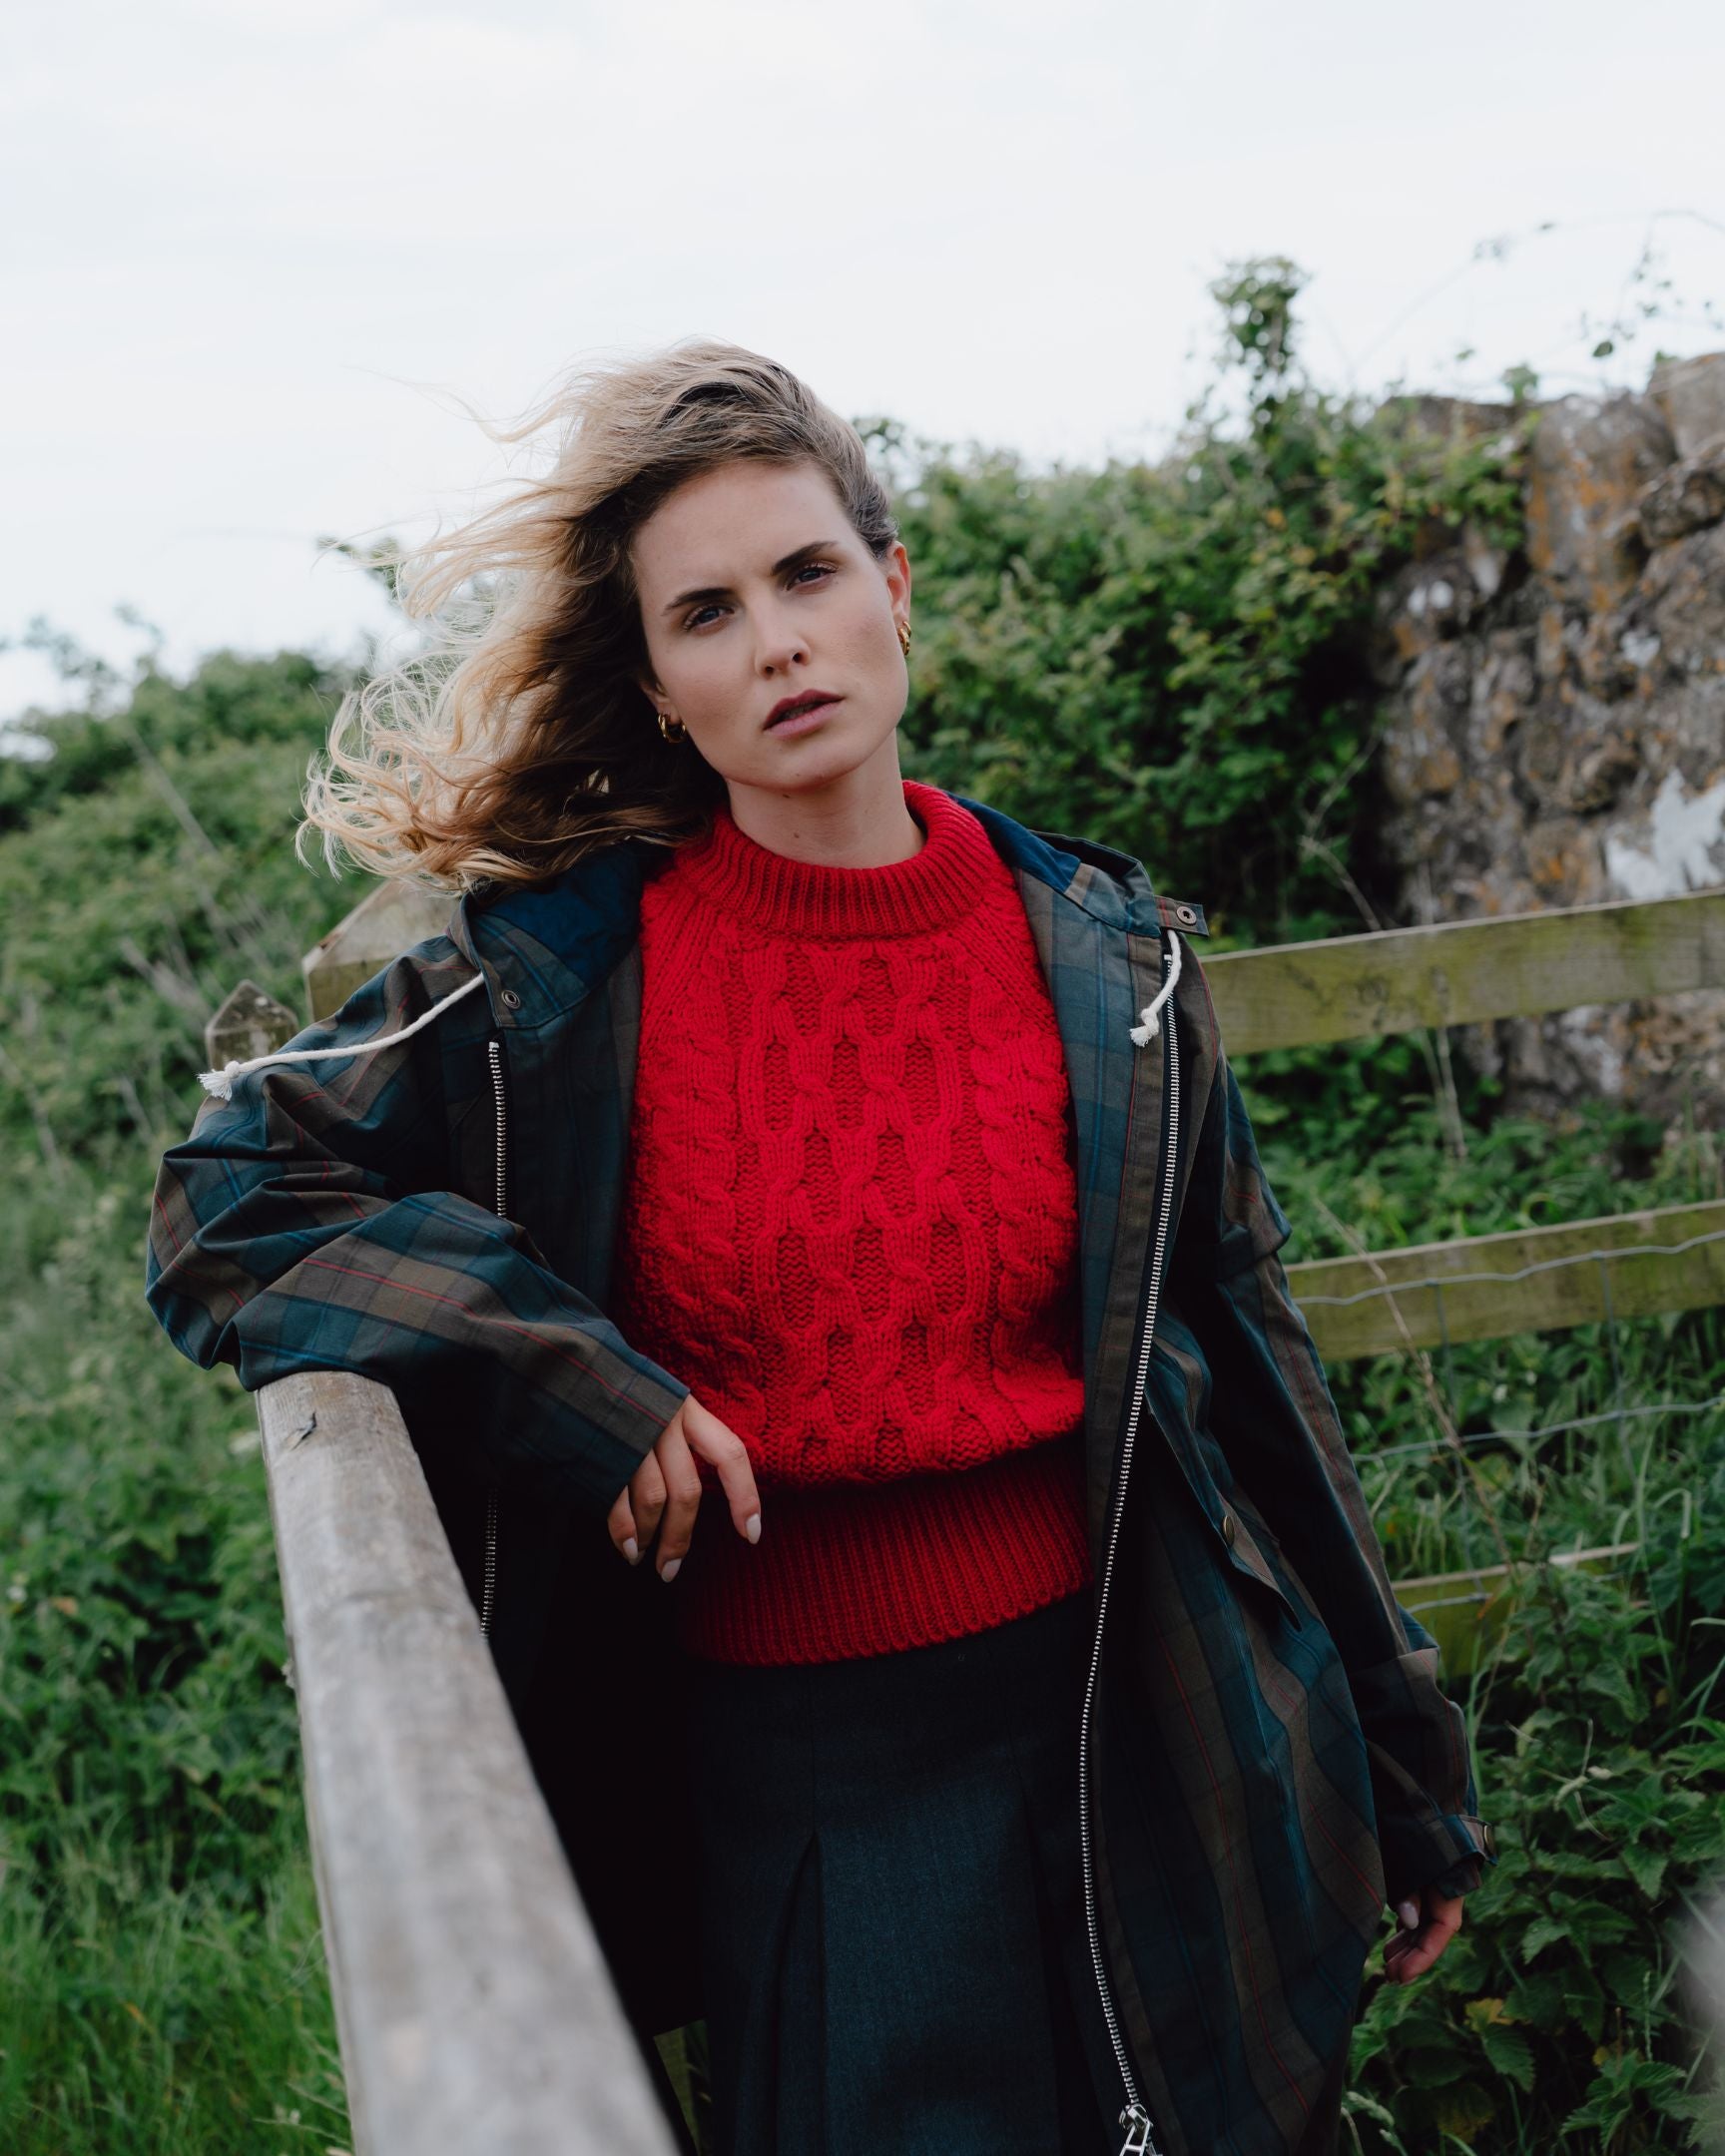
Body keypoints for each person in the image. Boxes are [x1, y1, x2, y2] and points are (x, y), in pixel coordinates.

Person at [145, 339, 1494, 2156]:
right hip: (811, 1802)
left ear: (892, 592)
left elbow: (1252, 1355)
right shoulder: (551, 985)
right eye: (707, 611)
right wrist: (572, 1372)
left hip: (1150, 1726)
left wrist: (1410, 1771)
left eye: (807, 575)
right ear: (660, 681)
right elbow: (227, 1194)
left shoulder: (1117, 967)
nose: (776, 641)